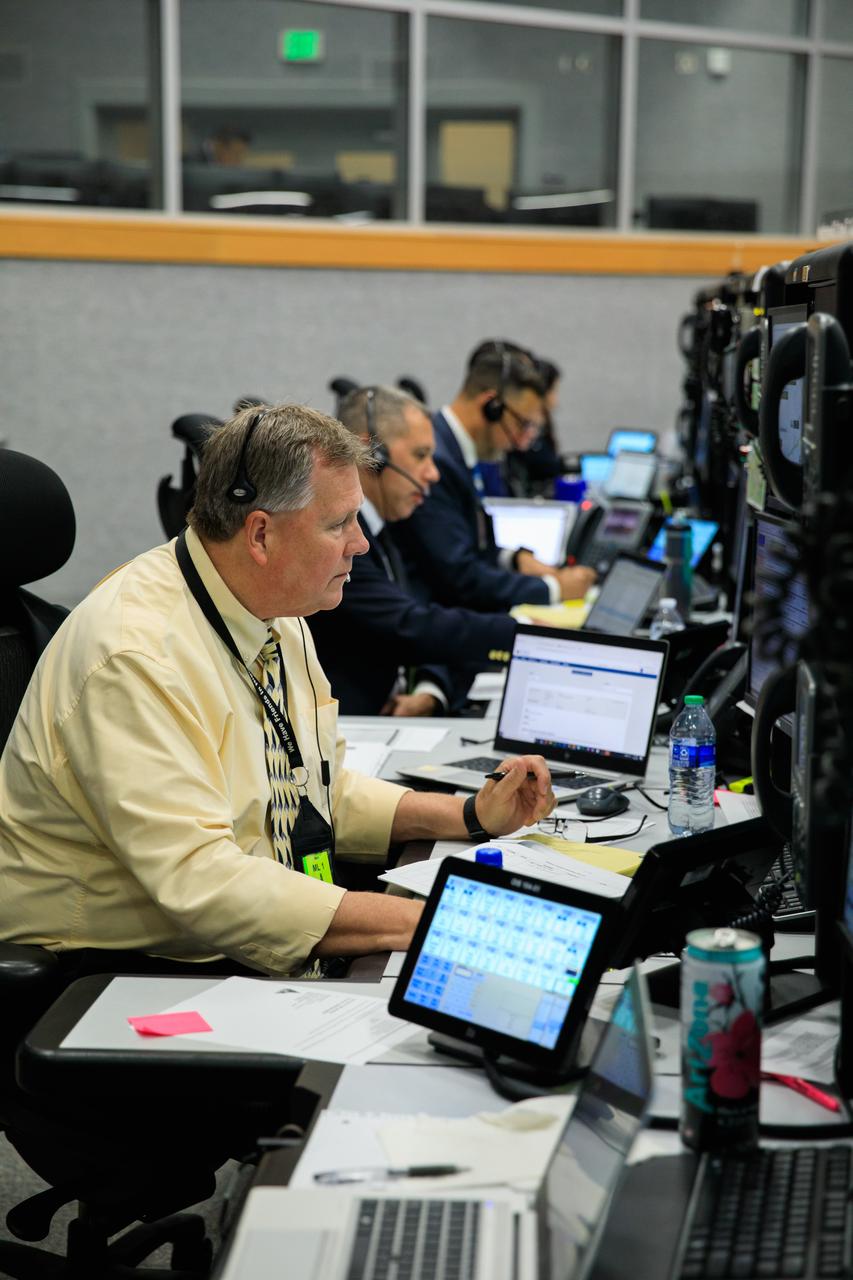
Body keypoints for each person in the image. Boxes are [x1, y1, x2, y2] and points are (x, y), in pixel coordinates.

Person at [0, 405, 556, 978]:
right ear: (261, 534)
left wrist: (469, 813)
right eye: (339, 523)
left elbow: (312, 790)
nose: (361, 544)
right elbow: (205, 881)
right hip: (116, 974)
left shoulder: (273, 610)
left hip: (238, 935)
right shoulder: (134, 657)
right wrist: (444, 921)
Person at [307, 385, 518, 716]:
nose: (433, 473)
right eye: (421, 455)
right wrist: (518, 630)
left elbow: (424, 608)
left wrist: (431, 689)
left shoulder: (389, 528)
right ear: (371, 453)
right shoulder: (339, 541)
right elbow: (409, 626)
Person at [392, 342, 596, 612]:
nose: (523, 443)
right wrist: (554, 589)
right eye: (523, 424)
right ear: (491, 406)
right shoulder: (435, 463)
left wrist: (513, 560)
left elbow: (472, 543)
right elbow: (459, 576)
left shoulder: (456, 452)